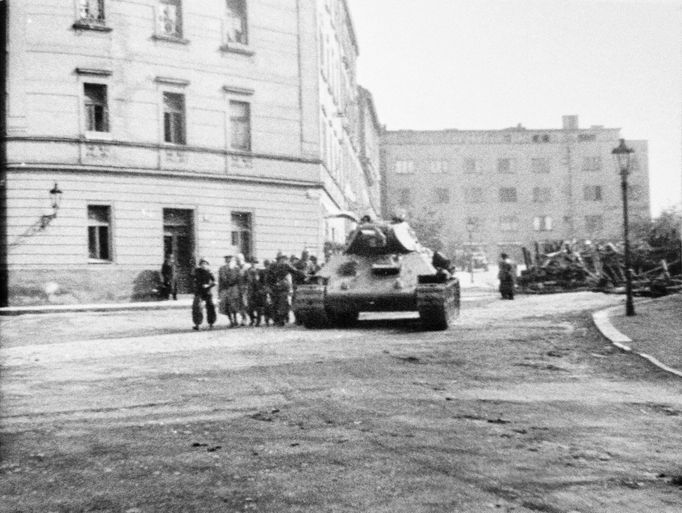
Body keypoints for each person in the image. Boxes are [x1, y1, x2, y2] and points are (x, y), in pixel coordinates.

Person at [269, 252, 294, 326]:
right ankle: (277, 320)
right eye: (280, 258)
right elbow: (270, 276)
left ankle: (282, 320)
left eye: (283, 258)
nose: (282, 260)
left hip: (283, 288)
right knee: (276, 304)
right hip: (276, 288)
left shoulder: (285, 266)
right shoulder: (274, 266)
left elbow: (294, 272)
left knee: (283, 304)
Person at [192, 258, 216, 330]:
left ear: (208, 265)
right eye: (202, 264)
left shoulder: (209, 272)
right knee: (197, 307)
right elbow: (192, 278)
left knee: (210, 306)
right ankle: (197, 324)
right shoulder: (197, 271)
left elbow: (215, 282)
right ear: (200, 265)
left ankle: (211, 323)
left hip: (207, 292)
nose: (204, 265)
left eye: (205, 264)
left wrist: (209, 285)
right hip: (199, 292)